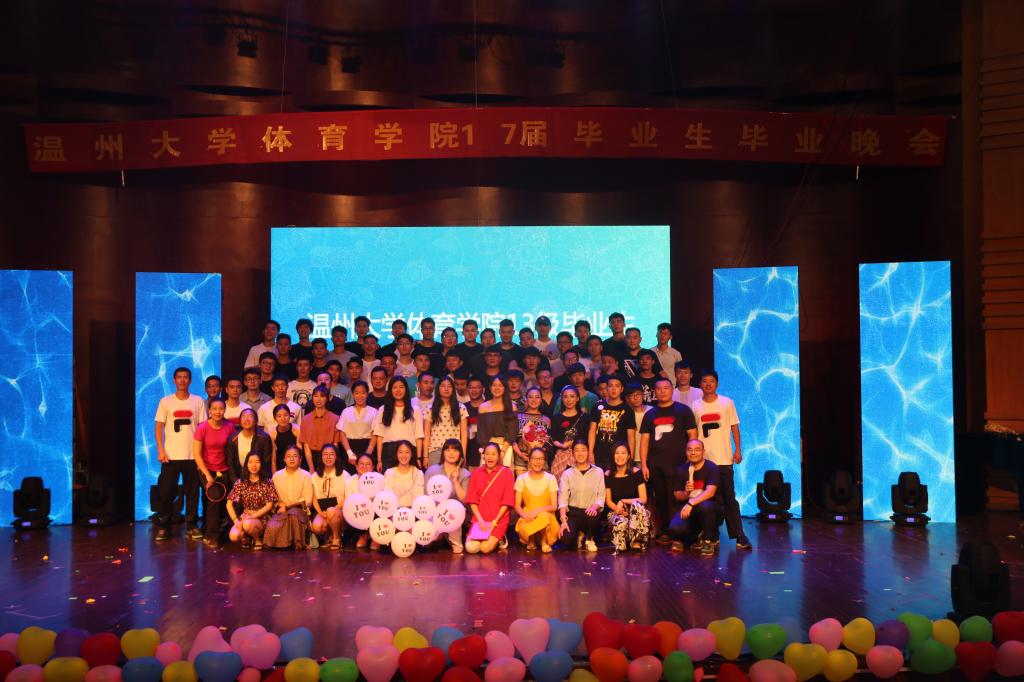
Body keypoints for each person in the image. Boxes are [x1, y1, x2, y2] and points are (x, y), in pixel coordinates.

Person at [689, 369, 750, 550]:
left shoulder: (726, 403)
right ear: (700, 384)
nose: (708, 384)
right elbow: (693, 433)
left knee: (729, 498)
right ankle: (711, 536)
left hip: (724, 459)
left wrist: (738, 450)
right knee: (708, 500)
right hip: (704, 461)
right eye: (704, 381)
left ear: (717, 383)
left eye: (711, 381)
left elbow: (734, 427)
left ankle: (739, 535)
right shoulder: (695, 405)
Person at [639, 378, 698, 542]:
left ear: (672, 390)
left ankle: (679, 532)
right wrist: (644, 464)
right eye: (659, 389)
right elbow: (644, 440)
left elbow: (692, 436)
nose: (662, 391)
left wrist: (691, 459)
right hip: (655, 464)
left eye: (666, 388)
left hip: (679, 464)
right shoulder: (649, 414)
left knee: (677, 498)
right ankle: (666, 531)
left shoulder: (683, 411)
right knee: (660, 499)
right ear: (654, 392)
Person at [154, 367, 207, 542]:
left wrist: (201, 454)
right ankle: (163, 526)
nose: (182, 380)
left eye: (185, 377)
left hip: (193, 456)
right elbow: (158, 427)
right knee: (166, 492)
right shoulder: (165, 401)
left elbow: (203, 428)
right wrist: (160, 449)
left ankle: (191, 526)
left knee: (192, 493)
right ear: (174, 380)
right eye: (179, 377)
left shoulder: (198, 401)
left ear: (190, 380)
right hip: (170, 456)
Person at [193, 397, 234, 548]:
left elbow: (232, 451)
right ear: (209, 411)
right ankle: (212, 536)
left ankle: (220, 532)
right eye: (214, 409)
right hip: (207, 468)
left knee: (225, 501)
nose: (218, 412)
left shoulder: (229, 427)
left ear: (225, 410)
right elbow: (197, 454)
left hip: (224, 469)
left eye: (221, 409)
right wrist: (208, 475)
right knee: (215, 499)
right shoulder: (202, 427)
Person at [668, 439, 720, 556]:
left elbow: (710, 492)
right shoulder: (681, 469)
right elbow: (677, 495)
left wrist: (690, 502)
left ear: (703, 452)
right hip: (689, 510)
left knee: (705, 506)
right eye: (690, 450)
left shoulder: (712, 467)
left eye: (697, 450)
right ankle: (696, 536)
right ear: (686, 452)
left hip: (709, 509)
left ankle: (709, 540)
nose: (693, 453)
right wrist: (686, 493)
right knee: (674, 529)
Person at [465, 442, 515, 554]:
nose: (490, 457)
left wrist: (494, 522)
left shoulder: (507, 473)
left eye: (493, 454)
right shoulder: (476, 473)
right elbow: (472, 500)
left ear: (499, 456)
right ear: (483, 456)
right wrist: (480, 520)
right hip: (480, 520)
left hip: (498, 521)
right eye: (487, 454)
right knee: (471, 548)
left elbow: (507, 502)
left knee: (484, 548)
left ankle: (501, 538)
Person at [424, 439, 471, 553]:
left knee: (458, 549)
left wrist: (456, 481)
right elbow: (426, 496)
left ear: (460, 453)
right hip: (435, 512)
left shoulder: (465, 473)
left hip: (455, 514)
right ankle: (441, 537)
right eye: (448, 450)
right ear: (443, 452)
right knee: (426, 543)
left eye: (455, 450)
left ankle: (450, 539)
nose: (451, 453)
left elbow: (464, 499)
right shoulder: (432, 470)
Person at [558, 439, 604, 552]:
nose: (580, 453)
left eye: (583, 450)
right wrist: (563, 522)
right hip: (573, 513)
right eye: (577, 450)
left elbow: (601, 497)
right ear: (572, 453)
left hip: (590, 512)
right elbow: (562, 500)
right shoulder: (567, 474)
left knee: (593, 516)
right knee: (567, 539)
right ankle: (578, 536)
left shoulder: (598, 472)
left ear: (588, 452)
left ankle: (589, 538)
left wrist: (594, 507)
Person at [605, 442, 651, 552]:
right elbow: (608, 501)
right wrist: (619, 510)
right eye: (617, 453)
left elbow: (643, 499)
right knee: (621, 541)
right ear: (613, 456)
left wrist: (623, 501)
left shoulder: (636, 473)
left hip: (636, 512)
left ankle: (636, 542)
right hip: (617, 511)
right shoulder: (608, 474)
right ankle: (625, 540)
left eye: (623, 453)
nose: (620, 456)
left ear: (629, 456)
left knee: (637, 506)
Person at [265, 445, 314, 549]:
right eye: (289, 456)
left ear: (300, 459)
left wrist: (288, 507)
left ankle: (296, 543)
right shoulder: (277, 476)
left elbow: (308, 500)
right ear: (284, 459)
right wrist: (279, 504)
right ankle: (282, 543)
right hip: (281, 511)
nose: (292, 459)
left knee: (293, 515)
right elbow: (273, 498)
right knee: (272, 526)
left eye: (295, 456)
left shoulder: (306, 476)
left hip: (300, 512)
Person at [227, 452, 278, 551]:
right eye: (250, 462)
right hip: (246, 516)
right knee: (234, 536)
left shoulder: (268, 482)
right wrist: (236, 520)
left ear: (261, 464)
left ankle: (257, 539)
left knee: (247, 524)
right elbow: (229, 504)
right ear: (246, 464)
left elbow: (269, 505)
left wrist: (252, 516)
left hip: (262, 517)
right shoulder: (241, 482)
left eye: (257, 462)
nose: (254, 465)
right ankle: (247, 537)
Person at [514, 448, 560, 552]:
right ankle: (531, 539)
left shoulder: (551, 478)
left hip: (547, 521)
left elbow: (554, 506)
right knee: (525, 520)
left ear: (544, 461)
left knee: (542, 516)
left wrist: (538, 510)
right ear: (529, 460)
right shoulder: (521, 479)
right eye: (534, 458)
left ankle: (544, 541)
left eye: (540, 459)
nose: (537, 462)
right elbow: (517, 505)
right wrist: (525, 516)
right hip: (528, 517)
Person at [374, 376, 425, 470]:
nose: (398, 390)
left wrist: (418, 457)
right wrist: (379, 460)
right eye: (395, 387)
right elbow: (380, 435)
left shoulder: (415, 410)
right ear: (390, 390)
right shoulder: (383, 409)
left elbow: (418, 436)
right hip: (389, 451)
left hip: (409, 450)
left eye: (401, 387)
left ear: (406, 389)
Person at [588, 374, 636, 471]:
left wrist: (630, 458)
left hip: (619, 456)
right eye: (610, 386)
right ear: (607, 388)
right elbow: (592, 431)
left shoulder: (627, 409)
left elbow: (631, 436)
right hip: (599, 454)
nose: (613, 389)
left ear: (622, 389)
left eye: (617, 386)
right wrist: (590, 452)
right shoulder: (597, 406)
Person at [475, 375, 519, 470]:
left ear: (505, 388)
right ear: (490, 387)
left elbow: (512, 432)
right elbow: (481, 433)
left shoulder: (512, 406)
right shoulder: (483, 407)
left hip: (505, 448)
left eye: (500, 385)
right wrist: (489, 452)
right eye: (494, 385)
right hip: (488, 449)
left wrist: (502, 452)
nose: (497, 388)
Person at [424, 376, 468, 466]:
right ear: (438, 389)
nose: (446, 389)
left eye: (449, 386)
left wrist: (463, 454)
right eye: (443, 386)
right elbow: (427, 434)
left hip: (454, 451)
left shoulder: (461, 408)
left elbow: (464, 433)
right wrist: (425, 456)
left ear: (453, 389)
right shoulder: (430, 408)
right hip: (435, 450)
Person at [311, 444, 348, 550]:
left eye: (331, 454)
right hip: (322, 512)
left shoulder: (344, 475)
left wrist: (333, 510)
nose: (328, 457)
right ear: (321, 457)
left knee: (331, 511)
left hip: (339, 512)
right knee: (317, 527)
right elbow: (313, 498)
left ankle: (336, 538)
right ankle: (329, 536)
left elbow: (346, 498)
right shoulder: (315, 476)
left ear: (336, 457)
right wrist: (320, 513)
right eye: (325, 454)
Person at [549, 385, 590, 479]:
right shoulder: (556, 417)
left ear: (577, 398)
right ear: (562, 399)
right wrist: (562, 446)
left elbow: (588, 438)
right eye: (565, 397)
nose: (568, 400)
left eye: (572, 396)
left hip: (580, 456)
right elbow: (553, 438)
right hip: (561, 456)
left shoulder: (584, 417)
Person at [338, 381, 379, 472]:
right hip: (350, 447)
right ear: (353, 394)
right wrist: (349, 452)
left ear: (367, 394)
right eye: (357, 393)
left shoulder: (373, 411)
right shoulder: (346, 411)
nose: (360, 396)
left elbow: (375, 433)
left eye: (363, 393)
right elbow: (342, 433)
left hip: (367, 446)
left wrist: (369, 451)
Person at [225, 407, 273, 483]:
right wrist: (236, 481)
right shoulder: (233, 438)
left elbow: (266, 462)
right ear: (240, 421)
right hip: (239, 478)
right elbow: (230, 462)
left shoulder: (264, 438)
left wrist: (260, 480)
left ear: (256, 421)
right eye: (243, 416)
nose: (246, 419)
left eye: (250, 416)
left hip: (259, 478)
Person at [300, 386, 340, 472]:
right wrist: (311, 467)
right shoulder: (305, 419)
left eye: (322, 396)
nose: (318, 399)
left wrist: (331, 463)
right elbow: (306, 445)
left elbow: (335, 444)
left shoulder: (335, 418)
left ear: (327, 399)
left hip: (329, 456)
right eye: (316, 396)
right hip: (311, 457)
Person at [513, 387, 551, 474]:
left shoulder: (546, 420)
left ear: (541, 400)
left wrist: (540, 451)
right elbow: (512, 439)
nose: (534, 400)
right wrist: (520, 454)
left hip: (540, 460)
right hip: (521, 458)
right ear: (526, 399)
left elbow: (548, 442)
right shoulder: (518, 417)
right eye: (530, 397)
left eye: (537, 397)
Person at [345, 454, 376, 549]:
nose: (364, 467)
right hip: (358, 513)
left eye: (368, 464)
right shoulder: (350, 481)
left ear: (373, 467)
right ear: (356, 466)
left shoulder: (379, 479)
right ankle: (364, 535)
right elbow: (349, 503)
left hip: (375, 513)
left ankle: (375, 536)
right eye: (361, 464)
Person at [384, 440, 425, 507]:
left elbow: (419, 497)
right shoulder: (389, 473)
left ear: (411, 454)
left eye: (407, 452)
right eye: (400, 452)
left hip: (413, 510)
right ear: (396, 454)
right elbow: (387, 497)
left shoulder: (418, 473)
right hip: (393, 510)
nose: (403, 455)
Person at [624, 383, 652, 462]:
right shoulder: (626, 414)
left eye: (638, 394)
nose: (635, 398)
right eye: (632, 395)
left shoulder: (651, 411)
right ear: (627, 398)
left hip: (650, 456)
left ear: (643, 395)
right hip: (633, 456)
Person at [268, 403, 301, 471]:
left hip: (296, 462)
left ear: (289, 416)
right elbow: (273, 458)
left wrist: (298, 471)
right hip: (280, 464)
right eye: (279, 416)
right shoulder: (272, 433)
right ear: (275, 418)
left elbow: (300, 453)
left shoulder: (297, 430)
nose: (283, 418)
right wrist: (274, 474)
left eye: (286, 415)